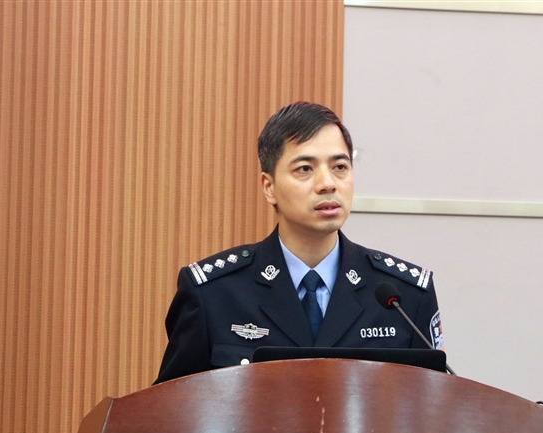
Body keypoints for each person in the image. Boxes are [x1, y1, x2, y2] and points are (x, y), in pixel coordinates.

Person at [153, 101, 443, 384]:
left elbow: (432, 407)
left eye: (340, 167)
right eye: (305, 169)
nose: (327, 183)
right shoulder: (214, 294)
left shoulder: (403, 297)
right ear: (269, 187)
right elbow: (173, 408)